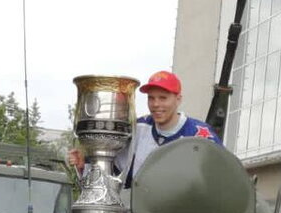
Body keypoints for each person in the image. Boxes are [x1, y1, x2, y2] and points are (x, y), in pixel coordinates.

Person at [66, 70, 221, 189]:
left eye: (163, 98)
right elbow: (110, 171)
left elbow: (220, 179)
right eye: (151, 98)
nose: (155, 104)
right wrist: (83, 165)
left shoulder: (200, 134)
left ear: (178, 99)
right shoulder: (137, 129)